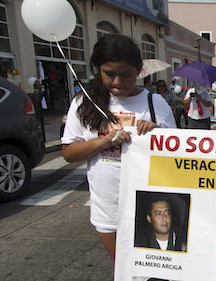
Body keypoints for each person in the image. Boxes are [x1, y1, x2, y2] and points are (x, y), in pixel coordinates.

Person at [62, 35, 176, 261]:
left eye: (126, 75)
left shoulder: (155, 103)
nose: (118, 82)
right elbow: (69, 153)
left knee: (153, 268)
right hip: (108, 207)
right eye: (109, 74)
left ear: (139, 71)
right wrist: (103, 141)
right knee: (122, 271)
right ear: (98, 70)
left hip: (149, 203)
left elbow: (176, 156)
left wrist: (157, 135)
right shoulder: (84, 103)